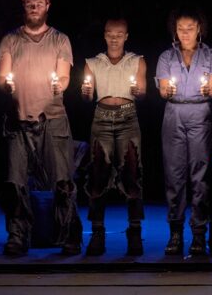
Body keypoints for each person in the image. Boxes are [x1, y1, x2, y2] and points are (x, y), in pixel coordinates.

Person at [0, 0, 82, 256]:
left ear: (48, 6)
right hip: (19, 120)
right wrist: (5, 86)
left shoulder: (60, 40)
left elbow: (64, 76)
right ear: (23, 8)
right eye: (29, 3)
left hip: (52, 120)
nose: (34, 7)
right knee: (15, 182)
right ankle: (18, 234)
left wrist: (61, 86)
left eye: (39, 3)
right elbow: (2, 76)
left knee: (63, 181)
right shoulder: (10, 40)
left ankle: (69, 235)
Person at [156, 6, 212, 256]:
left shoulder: (210, 56)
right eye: (181, 29)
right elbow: (163, 90)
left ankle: (198, 233)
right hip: (174, 114)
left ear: (199, 30)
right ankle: (175, 232)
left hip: (199, 113)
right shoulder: (166, 57)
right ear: (175, 30)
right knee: (174, 175)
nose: (185, 33)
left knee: (199, 176)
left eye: (190, 28)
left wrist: (209, 90)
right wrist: (167, 92)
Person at [81, 17, 146, 257]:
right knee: (98, 173)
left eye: (119, 34)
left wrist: (138, 92)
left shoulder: (136, 61)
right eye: (110, 33)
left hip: (128, 119)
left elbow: (143, 93)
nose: (115, 38)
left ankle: (135, 230)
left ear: (126, 36)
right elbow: (87, 97)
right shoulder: (93, 63)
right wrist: (86, 93)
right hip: (102, 118)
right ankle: (97, 232)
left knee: (132, 170)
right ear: (104, 35)